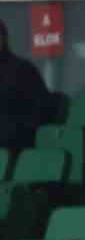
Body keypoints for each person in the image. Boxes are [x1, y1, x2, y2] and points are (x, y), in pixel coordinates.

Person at [0, 18, 53, 151]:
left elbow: (42, 110)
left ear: (2, 39)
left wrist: (15, 131)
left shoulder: (22, 69)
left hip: (14, 144)